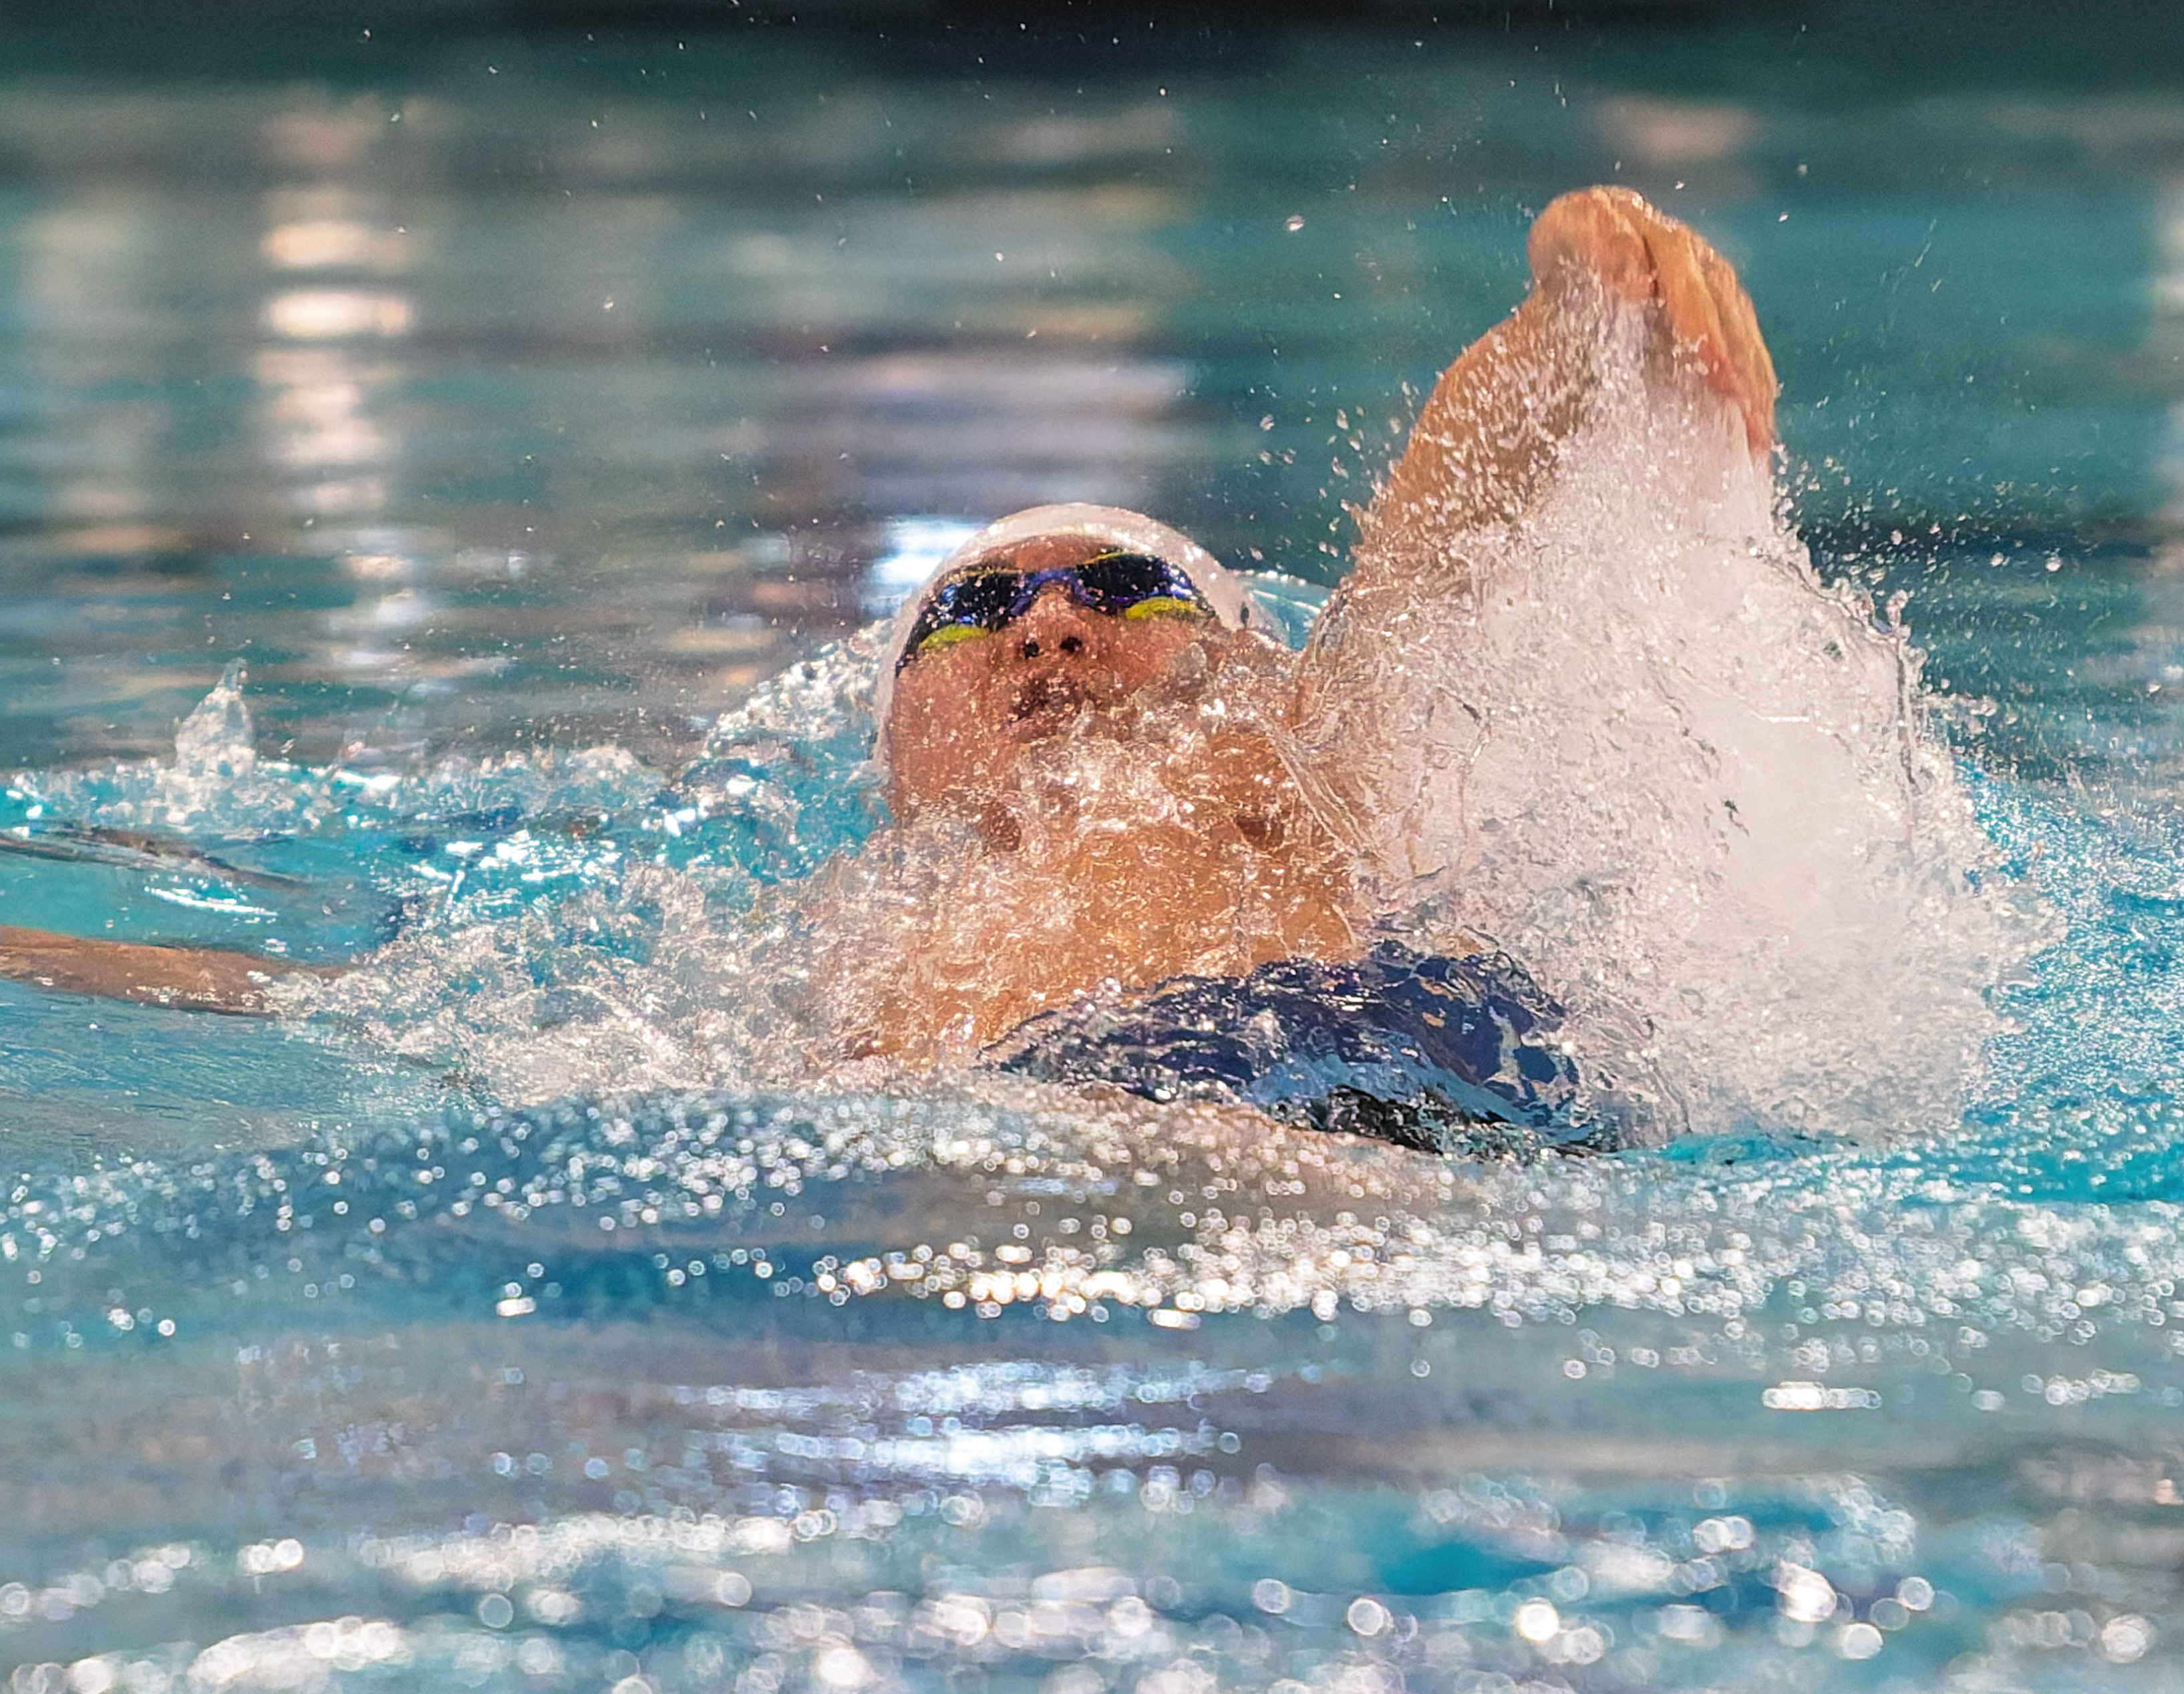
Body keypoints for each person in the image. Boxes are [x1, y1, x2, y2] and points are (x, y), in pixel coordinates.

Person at [0, 187, 1777, 1149]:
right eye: (980, 611)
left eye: (1118, 591)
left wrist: (1581, 272)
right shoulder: (793, 941)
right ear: (890, 736)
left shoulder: (1301, 753)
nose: (1053, 628)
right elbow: (371, 1010)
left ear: (1244, 659)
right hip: (977, 1158)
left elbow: (1443, 528)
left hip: (1332, 1096)